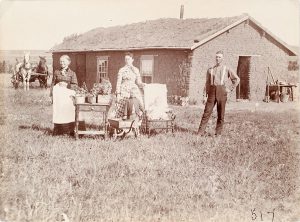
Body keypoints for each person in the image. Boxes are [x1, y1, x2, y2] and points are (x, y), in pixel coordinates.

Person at [198, 51, 240, 136]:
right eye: (216, 57)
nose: (218, 58)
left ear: (222, 58)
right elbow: (207, 83)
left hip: (221, 91)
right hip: (212, 91)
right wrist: (204, 95)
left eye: (219, 57)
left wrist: (229, 89)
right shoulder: (210, 69)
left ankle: (218, 134)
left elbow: (236, 79)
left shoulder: (226, 68)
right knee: (207, 112)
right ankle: (200, 132)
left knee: (221, 114)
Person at [50, 55, 78, 136]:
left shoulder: (72, 73)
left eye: (64, 61)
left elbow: (75, 86)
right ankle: (58, 130)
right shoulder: (56, 72)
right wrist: (51, 95)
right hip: (58, 98)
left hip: (67, 98)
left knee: (68, 112)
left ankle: (69, 131)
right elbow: (52, 84)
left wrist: (67, 85)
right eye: (61, 61)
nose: (62, 63)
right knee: (58, 112)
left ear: (68, 62)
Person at [115, 52, 145, 118]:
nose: (127, 61)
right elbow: (118, 83)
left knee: (139, 102)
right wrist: (118, 94)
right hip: (124, 89)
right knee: (122, 103)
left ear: (132, 60)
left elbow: (139, 82)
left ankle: (137, 121)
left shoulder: (136, 70)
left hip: (133, 90)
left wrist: (142, 84)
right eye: (125, 59)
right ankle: (123, 121)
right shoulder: (122, 70)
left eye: (128, 59)